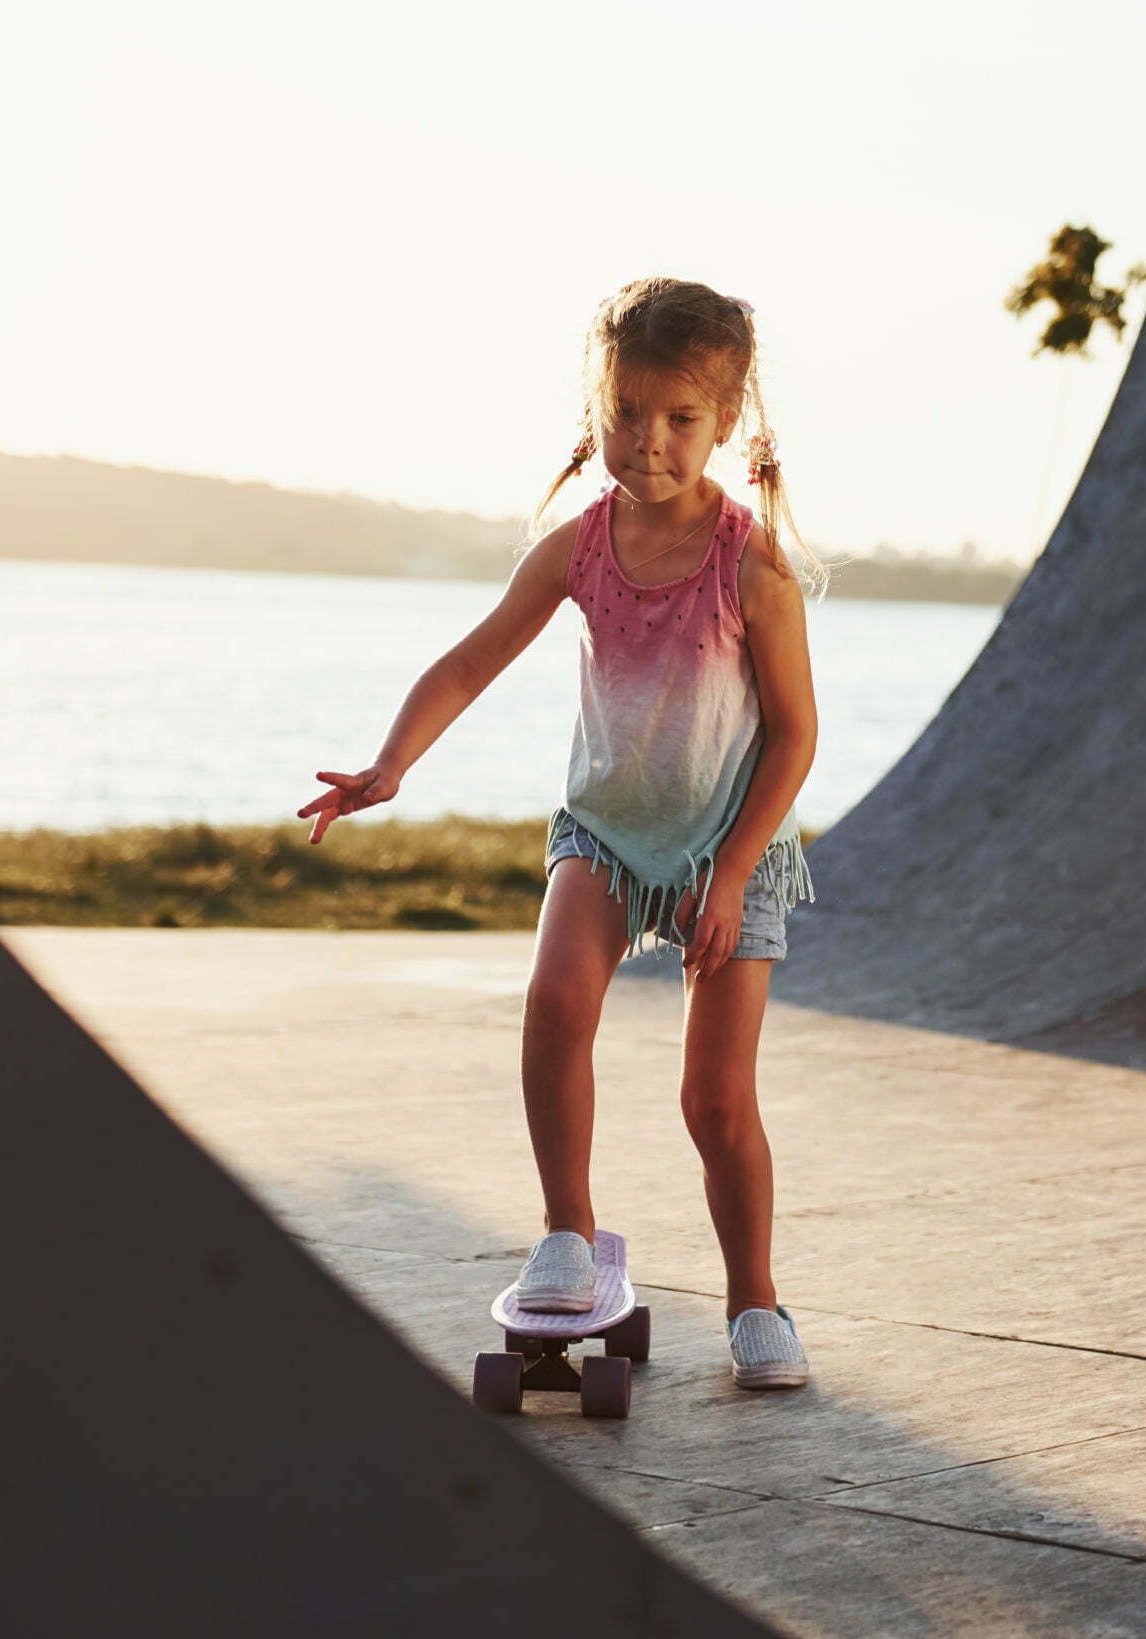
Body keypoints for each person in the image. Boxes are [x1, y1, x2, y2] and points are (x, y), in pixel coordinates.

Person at [298, 277, 824, 1389]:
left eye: (679, 418)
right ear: (596, 408)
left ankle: (754, 1299)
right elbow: (472, 658)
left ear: (724, 421)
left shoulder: (751, 565)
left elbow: (793, 740)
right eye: (626, 412)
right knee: (551, 1004)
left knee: (715, 1099)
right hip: (602, 835)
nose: (648, 441)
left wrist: (730, 874)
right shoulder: (579, 547)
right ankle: (568, 1232)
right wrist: (392, 763)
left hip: (731, 844)